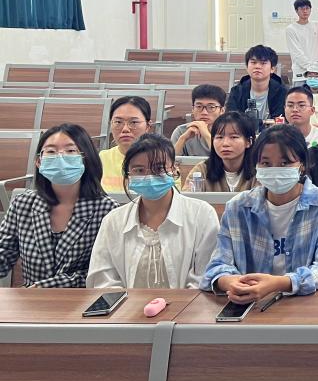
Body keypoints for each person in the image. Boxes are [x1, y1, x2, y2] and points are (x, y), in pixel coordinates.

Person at [202, 124, 318, 299]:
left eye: (285, 163)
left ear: (302, 164)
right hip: (248, 303)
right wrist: (231, 282)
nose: (275, 169)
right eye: (266, 163)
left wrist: (281, 283)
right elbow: (216, 266)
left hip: (303, 302)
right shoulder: (238, 207)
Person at [87, 134, 219, 289]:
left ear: (174, 169)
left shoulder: (202, 215)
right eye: (139, 170)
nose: (149, 176)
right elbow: (102, 280)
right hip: (127, 305)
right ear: (128, 174)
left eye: (158, 168)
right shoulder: (113, 221)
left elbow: (204, 278)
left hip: (186, 304)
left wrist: (177, 303)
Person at [0, 124, 117, 288]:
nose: (60, 157)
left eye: (70, 151)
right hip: (30, 300)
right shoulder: (23, 204)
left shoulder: (107, 210)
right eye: (51, 151)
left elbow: (107, 272)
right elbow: (4, 252)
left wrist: (47, 286)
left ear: (86, 159)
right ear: (39, 161)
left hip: (83, 300)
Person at [186, 112, 258, 193]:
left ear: (248, 141)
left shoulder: (259, 171)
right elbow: (187, 198)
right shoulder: (202, 170)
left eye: (233, 137)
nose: (225, 143)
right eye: (220, 137)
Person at [99, 96, 153, 191]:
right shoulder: (101, 158)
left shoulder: (160, 159)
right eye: (118, 122)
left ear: (148, 126)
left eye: (134, 122)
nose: (125, 129)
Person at [226, 44, 287, 120]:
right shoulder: (237, 91)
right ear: (247, 67)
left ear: (272, 69)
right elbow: (231, 119)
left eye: (263, 63)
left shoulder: (282, 92)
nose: (257, 66)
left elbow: (280, 120)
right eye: (253, 62)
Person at [171, 84, 226, 157]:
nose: (204, 112)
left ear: (222, 110)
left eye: (211, 107)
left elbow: (224, 160)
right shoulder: (181, 131)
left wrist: (206, 134)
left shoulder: (229, 132)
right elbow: (169, 161)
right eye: (199, 106)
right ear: (193, 109)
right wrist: (183, 139)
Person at [285, 0, 318, 77]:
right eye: (302, 9)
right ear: (296, 11)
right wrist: (311, 67)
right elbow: (296, 52)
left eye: (307, 8)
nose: (305, 11)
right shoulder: (291, 29)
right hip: (301, 71)